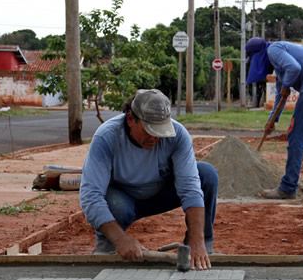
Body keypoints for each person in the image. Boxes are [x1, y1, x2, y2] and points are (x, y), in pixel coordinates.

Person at [79, 89, 218, 270]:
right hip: (123, 199)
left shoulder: (178, 135)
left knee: (206, 175)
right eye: (149, 130)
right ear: (130, 119)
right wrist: (122, 240)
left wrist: (197, 239)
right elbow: (91, 196)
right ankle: (108, 246)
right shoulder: (107, 137)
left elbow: (190, 187)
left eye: (160, 131)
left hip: (160, 193)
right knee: (114, 203)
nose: (155, 138)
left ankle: (202, 246)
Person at [245, 37, 303, 199]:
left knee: (296, 135)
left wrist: (287, 85)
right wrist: (272, 120)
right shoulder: (279, 63)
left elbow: (294, 68)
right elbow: (281, 97)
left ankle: (288, 187)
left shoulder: (273, 50)